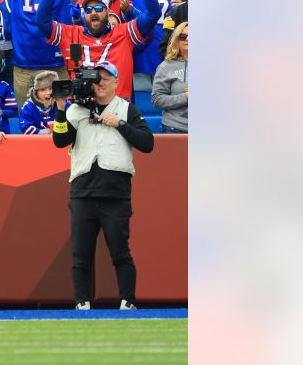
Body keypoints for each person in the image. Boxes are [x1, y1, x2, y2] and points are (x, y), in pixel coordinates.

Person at [50, 61, 154, 310]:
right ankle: (82, 302)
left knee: (120, 251)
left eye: (107, 78)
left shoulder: (127, 109)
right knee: (81, 254)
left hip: (115, 192)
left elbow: (147, 143)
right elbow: (59, 140)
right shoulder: (77, 110)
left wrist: (119, 123)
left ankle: (128, 301)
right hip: (83, 191)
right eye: (97, 79)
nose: (101, 83)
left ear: (117, 82)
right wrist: (62, 109)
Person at [36, 0, 159, 100]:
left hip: (117, 108)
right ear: (84, 15)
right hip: (81, 108)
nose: (93, 12)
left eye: (99, 8)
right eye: (88, 10)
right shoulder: (70, 34)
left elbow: (153, 15)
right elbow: (42, 21)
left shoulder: (124, 33)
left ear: (108, 12)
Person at [150, 21, 187, 134]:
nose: (187, 39)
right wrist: (185, 97)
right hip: (175, 128)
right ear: (176, 40)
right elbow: (157, 100)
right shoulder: (165, 66)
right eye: (183, 36)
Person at [18, 70, 59, 134]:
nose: (48, 93)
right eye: (43, 89)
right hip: (37, 142)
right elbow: (27, 129)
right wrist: (49, 132)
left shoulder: (61, 102)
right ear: (34, 92)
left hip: (60, 142)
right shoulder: (27, 107)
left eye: (50, 88)